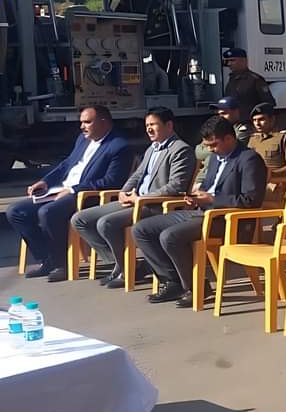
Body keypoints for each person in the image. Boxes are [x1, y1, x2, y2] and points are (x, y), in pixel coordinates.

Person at [133, 117, 267, 306]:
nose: (211, 149)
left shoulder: (249, 159)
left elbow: (250, 200)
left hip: (226, 220)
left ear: (229, 139)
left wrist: (212, 200)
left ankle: (195, 286)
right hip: (201, 211)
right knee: (141, 229)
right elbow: (207, 185)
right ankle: (172, 281)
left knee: (170, 236)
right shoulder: (214, 158)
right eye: (208, 145)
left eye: (214, 144)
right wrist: (195, 196)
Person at [71, 107, 196, 288]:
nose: (149, 129)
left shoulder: (180, 150)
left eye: (153, 125)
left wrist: (143, 199)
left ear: (169, 125)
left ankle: (126, 269)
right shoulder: (152, 148)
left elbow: (176, 185)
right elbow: (137, 175)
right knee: (80, 219)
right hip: (135, 201)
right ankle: (124, 264)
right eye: (147, 125)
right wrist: (124, 191)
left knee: (106, 223)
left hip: (154, 206)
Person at [12, 105, 133, 281]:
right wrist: (45, 181)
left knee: (47, 212)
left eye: (87, 122)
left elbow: (111, 182)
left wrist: (73, 190)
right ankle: (48, 260)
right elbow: (66, 164)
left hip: (86, 197)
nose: (82, 126)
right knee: (16, 211)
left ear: (104, 122)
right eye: (81, 122)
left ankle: (62, 265)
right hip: (61, 191)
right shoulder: (83, 140)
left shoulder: (118, 146)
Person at [246, 103, 286, 207]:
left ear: (272, 119)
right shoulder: (253, 139)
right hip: (251, 183)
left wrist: (273, 174)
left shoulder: (284, 137)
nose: (257, 123)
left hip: (273, 184)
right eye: (254, 120)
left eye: (261, 119)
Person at [195, 97, 253, 184]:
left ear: (236, 112)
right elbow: (198, 152)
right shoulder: (214, 130)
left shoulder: (243, 130)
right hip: (204, 176)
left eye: (224, 113)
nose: (221, 117)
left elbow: (226, 149)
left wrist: (207, 149)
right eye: (219, 114)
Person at [222, 47, 275, 123]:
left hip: (248, 123)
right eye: (228, 61)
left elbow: (268, 103)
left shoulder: (255, 80)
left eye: (232, 60)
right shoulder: (231, 79)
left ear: (244, 61)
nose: (229, 64)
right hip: (233, 123)